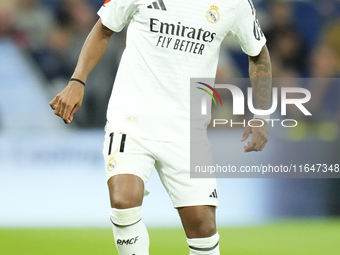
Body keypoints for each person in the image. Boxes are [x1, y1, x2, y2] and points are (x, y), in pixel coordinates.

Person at [50, 0, 272, 254]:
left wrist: (262, 114)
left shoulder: (235, 4)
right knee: (123, 200)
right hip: (131, 119)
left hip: (188, 132)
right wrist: (78, 80)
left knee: (202, 225)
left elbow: (259, 53)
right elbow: (104, 28)